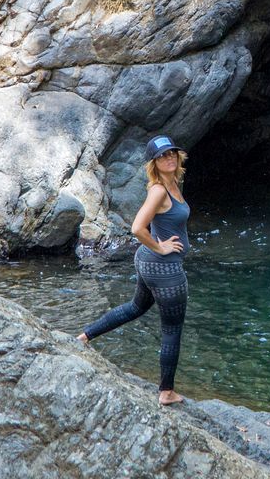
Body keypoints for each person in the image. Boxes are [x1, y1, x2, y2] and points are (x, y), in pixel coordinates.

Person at [78, 135, 192, 404]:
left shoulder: (173, 182)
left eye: (172, 153)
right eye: (163, 156)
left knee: (136, 307)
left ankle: (83, 336)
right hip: (164, 269)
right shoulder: (159, 191)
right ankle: (166, 392)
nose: (169, 158)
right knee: (172, 330)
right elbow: (137, 227)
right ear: (153, 162)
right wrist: (161, 247)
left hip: (147, 263)